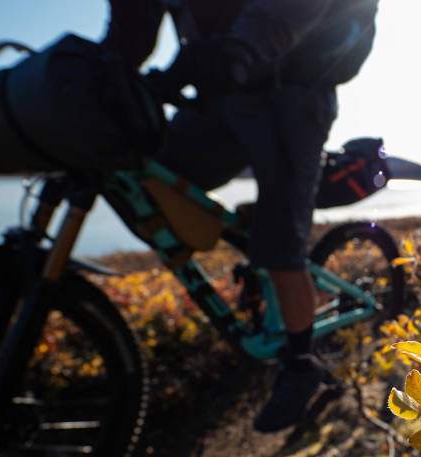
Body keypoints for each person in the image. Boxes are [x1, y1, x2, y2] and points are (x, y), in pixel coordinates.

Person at [101, 0, 377, 432]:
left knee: (282, 239)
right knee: (149, 177)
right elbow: (133, 25)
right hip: (220, 88)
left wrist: (241, 48)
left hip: (293, 87)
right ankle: (256, 255)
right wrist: (106, 66)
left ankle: (301, 363)